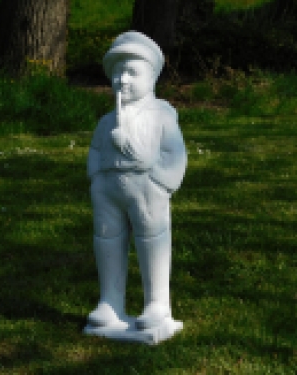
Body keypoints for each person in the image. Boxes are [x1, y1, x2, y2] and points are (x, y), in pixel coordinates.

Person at [87, 31, 187, 330]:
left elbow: (174, 153)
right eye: (118, 72)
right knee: (108, 239)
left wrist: (158, 183)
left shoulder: (161, 115)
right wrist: (96, 180)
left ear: (152, 77)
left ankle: (157, 304)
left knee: (151, 239)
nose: (123, 80)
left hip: (146, 189)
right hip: (108, 191)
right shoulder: (106, 121)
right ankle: (110, 301)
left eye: (132, 72)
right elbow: (95, 150)